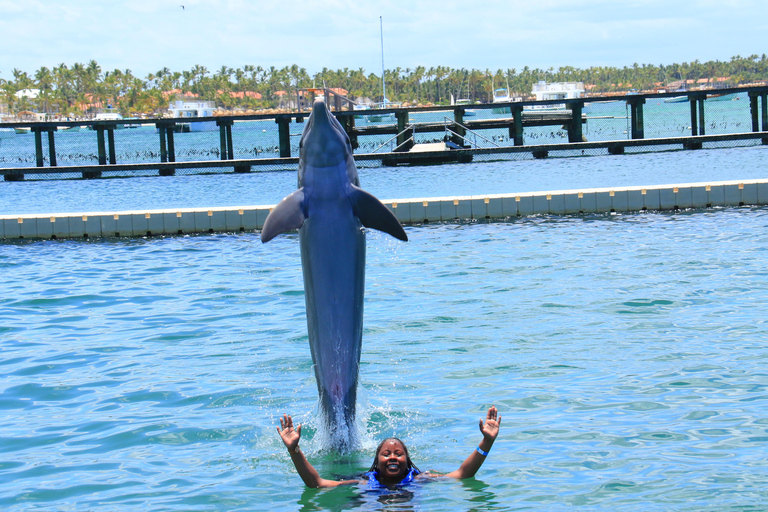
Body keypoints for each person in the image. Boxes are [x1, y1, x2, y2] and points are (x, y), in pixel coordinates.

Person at [277, 406, 501, 488]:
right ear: (377, 462)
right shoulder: (365, 482)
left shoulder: (420, 479)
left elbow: (463, 474)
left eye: (398, 454)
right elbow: (316, 483)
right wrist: (294, 451)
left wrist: (487, 442)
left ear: (407, 461)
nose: (393, 457)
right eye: (386, 454)